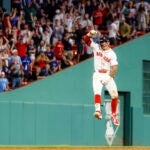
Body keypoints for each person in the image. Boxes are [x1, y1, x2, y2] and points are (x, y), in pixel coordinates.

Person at [83, 30, 120, 126]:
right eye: (101, 42)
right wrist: (89, 34)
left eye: (104, 42)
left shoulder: (112, 54)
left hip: (107, 74)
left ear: (108, 43)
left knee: (115, 96)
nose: (103, 44)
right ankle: (98, 111)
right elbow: (85, 39)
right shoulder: (96, 47)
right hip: (97, 74)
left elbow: (115, 67)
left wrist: (109, 77)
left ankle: (113, 114)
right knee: (97, 92)